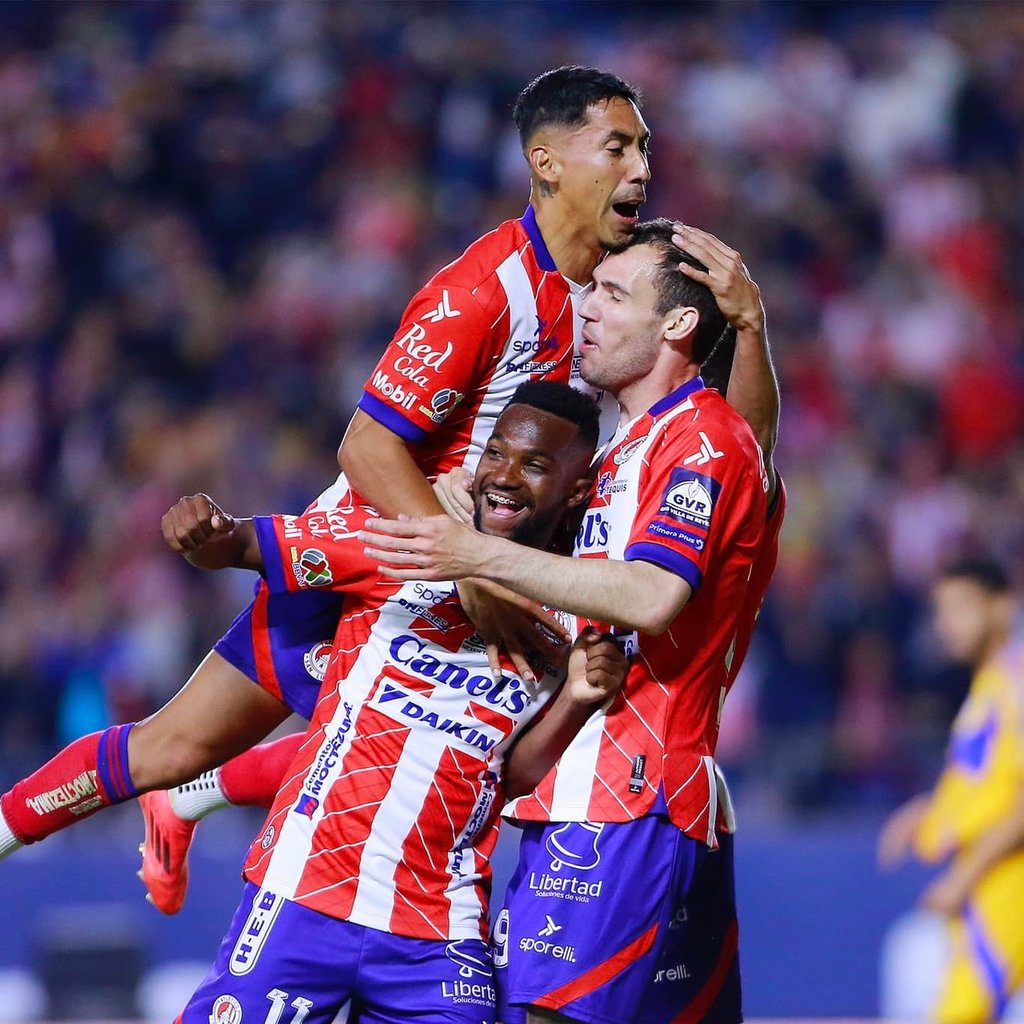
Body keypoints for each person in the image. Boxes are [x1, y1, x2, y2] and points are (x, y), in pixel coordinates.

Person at [0, 66, 776, 919]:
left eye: (646, 150)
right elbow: (367, 445)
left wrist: (745, 326)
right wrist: (470, 570)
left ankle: (198, 805)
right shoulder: (484, 291)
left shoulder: (618, 299)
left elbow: (738, 445)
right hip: (375, 570)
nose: (640, 170)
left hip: (492, 575)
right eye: (618, 147)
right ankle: (95, 813)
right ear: (547, 162)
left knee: (432, 766)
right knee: (173, 747)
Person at [362, 218, 785, 1024]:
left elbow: (655, 594)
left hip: (621, 800)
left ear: (678, 324)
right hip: (617, 792)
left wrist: (474, 556)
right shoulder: (631, 444)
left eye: (614, 293)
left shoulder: (701, 438)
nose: (587, 306)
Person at [169, 382, 628, 1024]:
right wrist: (201, 529)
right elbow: (241, 545)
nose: (504, 476)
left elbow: (514, 775)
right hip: (306, 894)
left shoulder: (576, 607)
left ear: (578, 489)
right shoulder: (400, 540)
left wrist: (577, 699)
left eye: (536, 464)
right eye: (497, 453)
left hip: (441, 930)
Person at [878, 558, 1024, 1024]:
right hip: (986, 883)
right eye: (941, 611)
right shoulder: (989, 685)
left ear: (1002, 608)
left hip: (1006, 882)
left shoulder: (1016, 685)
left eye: (962, 608)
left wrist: (963, 878)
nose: (947, 624)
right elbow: (983, 780)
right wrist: (926, 812)